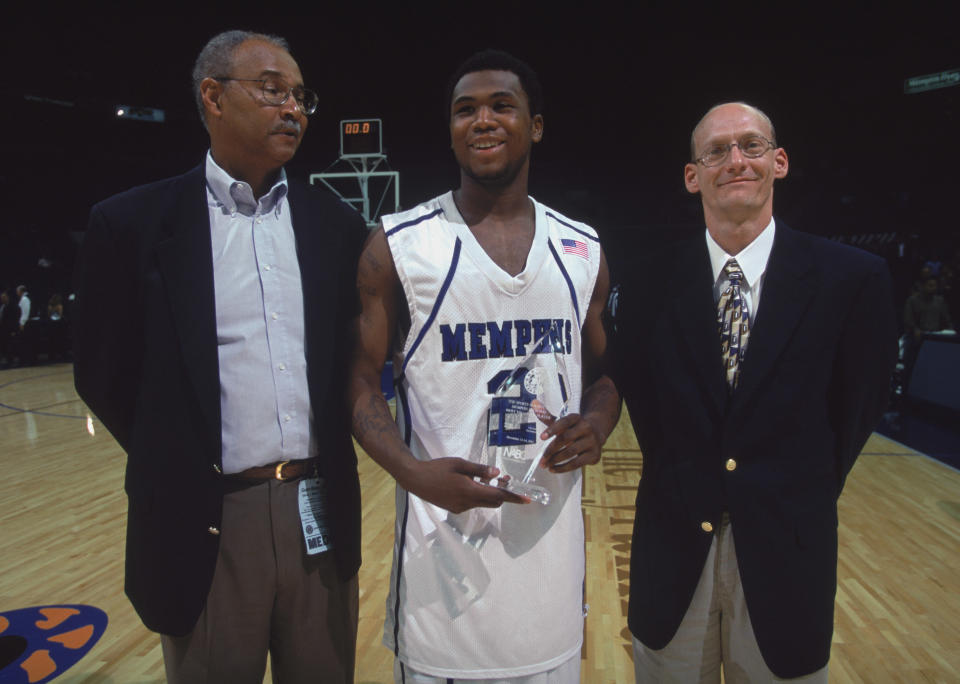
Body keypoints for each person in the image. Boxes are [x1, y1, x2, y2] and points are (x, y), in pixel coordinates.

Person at [73, 30, 365, 683]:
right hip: (201, 519)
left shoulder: (335, 226)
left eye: (300, 95)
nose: (293, 108)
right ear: (213, 96)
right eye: (272, 90)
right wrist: (181, 455)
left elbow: (354, 363)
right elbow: (101, 373)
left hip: (319, 508)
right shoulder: (130, 225)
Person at [348, 49, 617, 682]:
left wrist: (599, 425)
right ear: (449, 129)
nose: (482, 120)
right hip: (442, 590)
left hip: (549, 589)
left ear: (537, 125)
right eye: (465, 109)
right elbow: (359, 380)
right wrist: (412, 471)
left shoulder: (583, 249)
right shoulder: (398, 245)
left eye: (502, 105)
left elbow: (606, 373)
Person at [605, 102, 897, 681]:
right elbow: (641, 402)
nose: (735, 160)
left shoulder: (853, 280)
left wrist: (789, 492)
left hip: (787, 553)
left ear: (778, 162)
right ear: (694, 175)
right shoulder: (644, 284)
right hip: (674, 546)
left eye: (751, 146)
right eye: (716, 150)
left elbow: (856, 409)